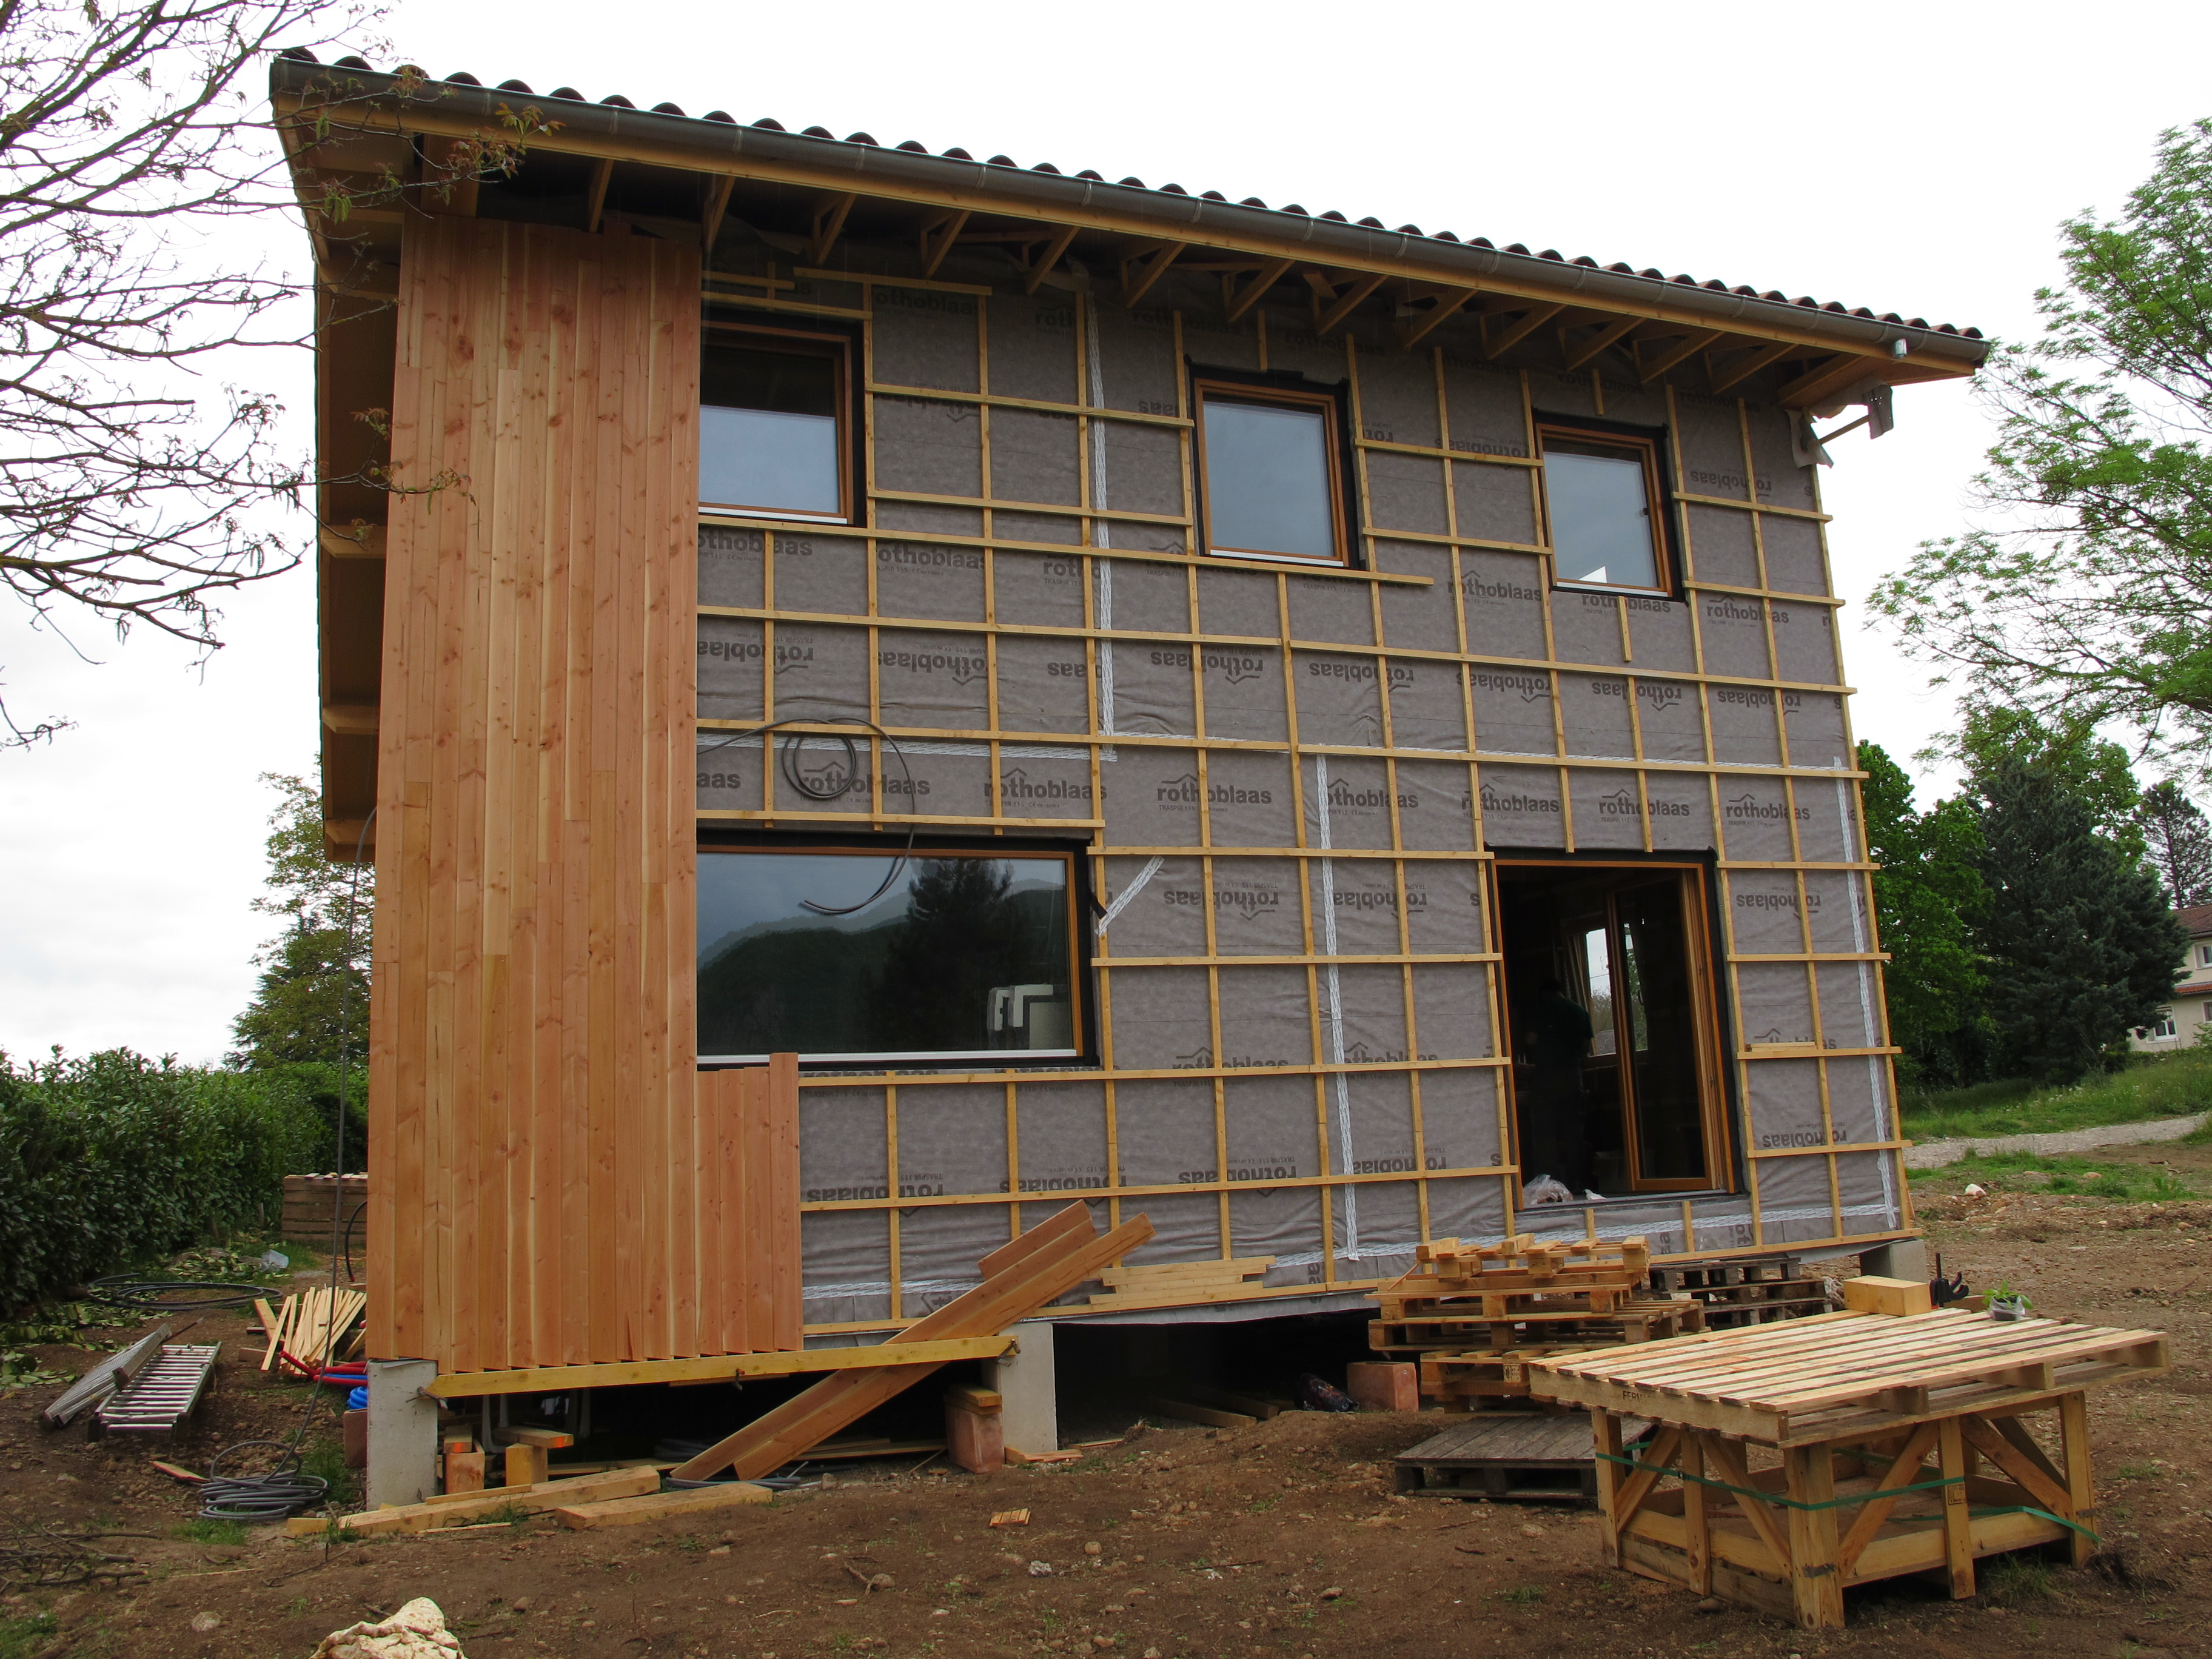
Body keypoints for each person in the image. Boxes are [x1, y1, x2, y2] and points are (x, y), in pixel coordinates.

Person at [1520, 975, 1595, 1195]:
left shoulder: (1542, 1009)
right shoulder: (1580, 1011)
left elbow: (1531, 1039)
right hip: (1572, 1074)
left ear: (1545, 993)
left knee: (1544, 1130)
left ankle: (1548, 1183)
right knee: (1574, 1130)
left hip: (1546, 1074)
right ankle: (1577, 1181)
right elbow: (1585, 1046)